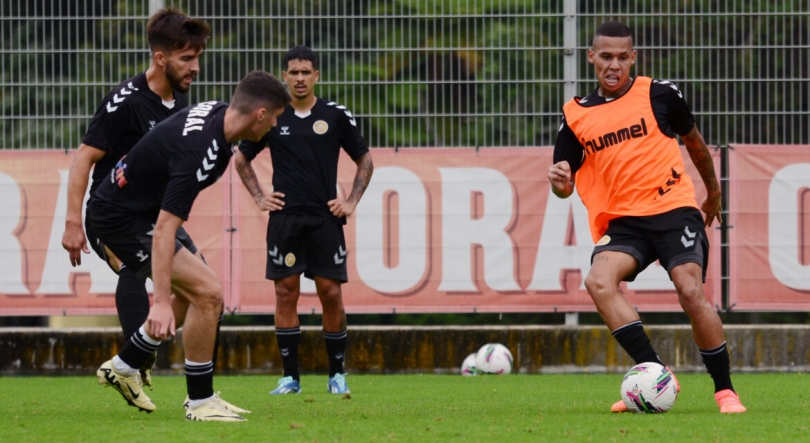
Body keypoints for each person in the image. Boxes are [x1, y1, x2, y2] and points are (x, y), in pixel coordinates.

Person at [548, 21, 746, 414]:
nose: (614, 65)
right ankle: (655, 375)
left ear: (633, 57)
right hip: (625, 222)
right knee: (598, 281)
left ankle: (725, 391)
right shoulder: (576, 116)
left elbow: (695, 142)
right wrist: (559, 182)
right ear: (591, 57)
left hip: (674, 209)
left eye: (623, 57)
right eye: (606, 56)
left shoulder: (659, 94)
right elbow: (563, 185)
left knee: (690, 291)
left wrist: (713, 192)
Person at [88, 70, 292, 421]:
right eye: (274, 119)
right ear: (260, 114)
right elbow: (166, 229)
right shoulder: (200, 152)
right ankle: (199, 402)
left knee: (200, 291)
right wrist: (161, 303)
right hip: (119, 218)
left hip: (139, 210)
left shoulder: (219, 116)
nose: (273, 127)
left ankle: (124, 365)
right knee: (208, 293)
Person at [60, 8, 214, 390]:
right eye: (187, 58)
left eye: (197, 57)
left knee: (200, 283)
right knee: (135, 266)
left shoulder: (180, 105)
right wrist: (72, 222)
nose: (195, 67)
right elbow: (84, 158)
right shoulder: (125, 101)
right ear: (160, 58)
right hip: (111, 213)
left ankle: (138, 352)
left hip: (151, 216)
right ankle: (137, 364)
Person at [234, 45, 374, 395]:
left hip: (325, 219)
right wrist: (259, 196)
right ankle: (290, 378)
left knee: (330, 293)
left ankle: (336, 374)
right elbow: (240, 159)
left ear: (317, 76)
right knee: (286, 292)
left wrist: (351, 201)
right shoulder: (272, 116)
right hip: (285, 220)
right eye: (293, 72)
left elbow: (366, 161)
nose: (299, 78)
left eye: (305, 72)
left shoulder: (336, 115)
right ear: (284, 76)